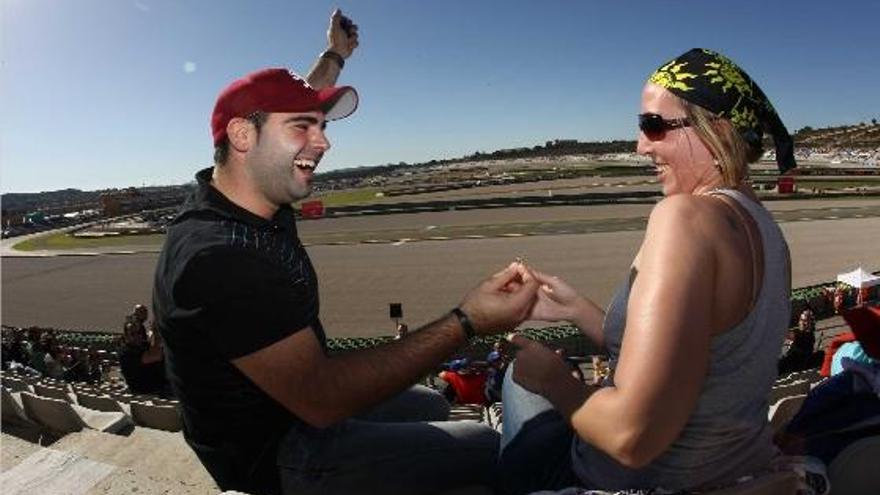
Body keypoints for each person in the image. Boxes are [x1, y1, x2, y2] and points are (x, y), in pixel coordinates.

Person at [152, 10, 537, 495]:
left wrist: (335, 55)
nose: (324, 141)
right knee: (485, 444)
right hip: (276, 452)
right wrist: (467, 321)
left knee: (434, 405)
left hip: (285, 408)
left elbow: (289, 100)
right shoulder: (220, 258)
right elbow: (323, 398)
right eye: (303, 127)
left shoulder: (241, 186)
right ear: (243, 137)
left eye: (321, 124)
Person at [499, 48, 796, 493]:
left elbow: (631, 438)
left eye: (654, 126)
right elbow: (700, 356)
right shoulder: (766, 228)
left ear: (716, 129)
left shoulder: (684, 218)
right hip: (737, 468)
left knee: (514, 382)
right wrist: (578, 310)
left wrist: (554, 379)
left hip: (630, 481)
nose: (641, 146)